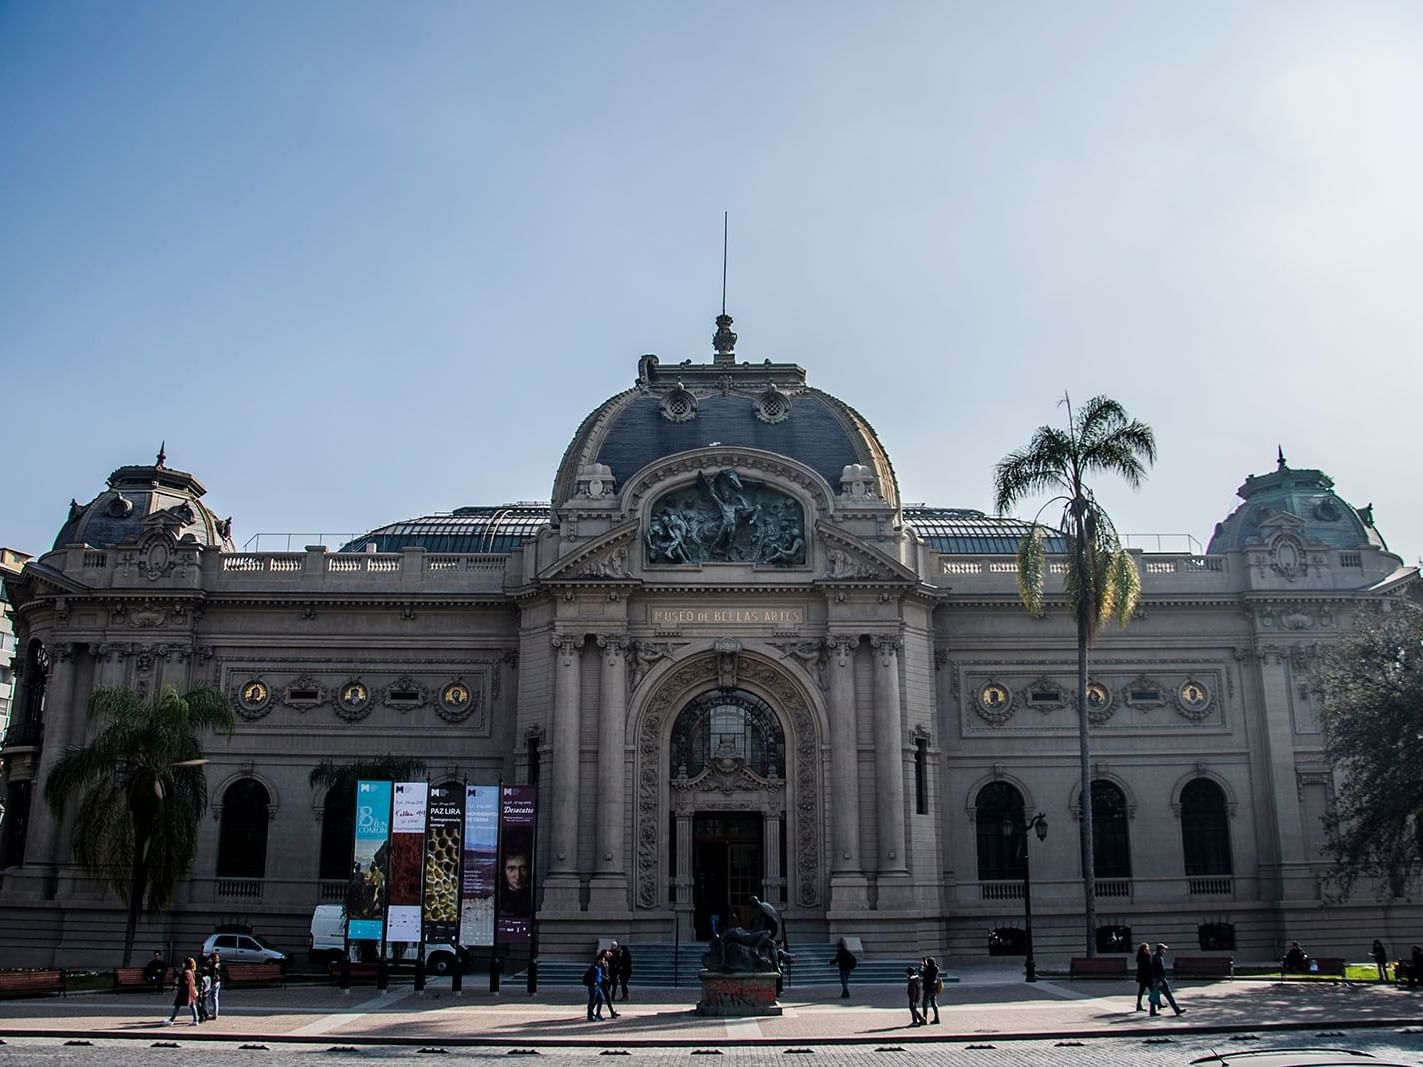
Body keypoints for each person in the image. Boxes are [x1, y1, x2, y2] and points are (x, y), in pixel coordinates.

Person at [1149, 944, 1184, 1017]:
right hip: (1160, 979)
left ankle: (1152, 1011)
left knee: (1155, 994)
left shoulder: (1156, 957)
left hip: (1157, 979)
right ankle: (1177, 1010)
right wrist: (1161, 980)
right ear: (1160, 949)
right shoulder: (1158, 958)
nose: (1165, 950)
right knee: (1168, 995)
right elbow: (1159, 970)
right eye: (1164, 949)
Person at [164, 958, 198, 1026]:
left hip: (184, 992)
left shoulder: (185, 972)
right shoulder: (191, 971)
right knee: (192, 1005)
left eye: (183, 963)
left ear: (185, 964)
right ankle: (195, 1020)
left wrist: (178, 982)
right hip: (191, 991)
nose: (182, 964)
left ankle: (171, 1020)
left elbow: (184, 982)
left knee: (177, 1005)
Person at [499, 849, 532, 916]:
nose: (518, 876)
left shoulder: (534, 897)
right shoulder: (498, 898)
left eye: (523, 869)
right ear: (504, 871)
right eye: (511, 869)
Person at [599, 949, 620, 1018]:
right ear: (605, 954)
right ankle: (612, 1013)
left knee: (600, 998)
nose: (609, 953)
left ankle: (592, 1011)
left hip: (606, 981)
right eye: (607, 953)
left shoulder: (606, 961)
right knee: (606, 998)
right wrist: (605, 977)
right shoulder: (601, 961)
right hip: (603, 982)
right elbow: (600, 973)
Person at [920, 956, 941, 1024]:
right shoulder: (935, 968)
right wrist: (925, 963)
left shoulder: (928, 970)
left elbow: (921, 972)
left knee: (925, 1004)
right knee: (934, 1003)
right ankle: (937, 1017)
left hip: (928, 988)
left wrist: (922, 965)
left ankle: (924, 1018)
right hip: (934, 988)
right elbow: (929, 967)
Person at [1134, 943, 1154, 1011]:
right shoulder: (1145, 957)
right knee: (1152, 991)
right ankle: (1155, 1004)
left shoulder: (1142, 957)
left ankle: (1138, 1005)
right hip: (1146, 977)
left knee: (1141, 991)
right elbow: (1148, 966)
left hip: (1143, 977)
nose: (1148, 949)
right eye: (1146, 948)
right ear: (1143, 949)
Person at [205, 952, 224, 1019]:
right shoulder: (218, 964)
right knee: (215, 998)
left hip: (212, 983)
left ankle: (206, 1013)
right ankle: (215, 1014)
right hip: (217, 982)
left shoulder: (212, 965)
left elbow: (211, 974)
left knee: (205, 997)